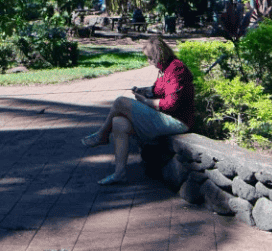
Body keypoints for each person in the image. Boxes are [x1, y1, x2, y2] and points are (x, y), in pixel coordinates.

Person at [81, 35, 194, 185]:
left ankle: (102, 134)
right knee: (119, 122)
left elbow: (170, 104)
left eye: (149, 58)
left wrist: (146, 101)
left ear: (157, 56)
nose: (148, 62)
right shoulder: (165, 69)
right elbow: (158, 90)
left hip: (178, 121)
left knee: (120, 101)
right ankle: (119, 173)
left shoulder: (176, 69)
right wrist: (143, 91)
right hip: (164, 116)